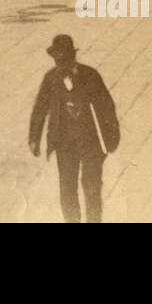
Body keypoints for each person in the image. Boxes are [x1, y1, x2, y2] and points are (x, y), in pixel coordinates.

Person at [28, 35, 120, 223]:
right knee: (67, 188)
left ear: (72, 57)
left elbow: (106, 106)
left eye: (63, 60)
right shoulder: (51, 79)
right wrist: (34, 138)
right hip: (64, 143)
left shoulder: (90, 76)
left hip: (90, 143)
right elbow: (40, 108)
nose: (60, 64)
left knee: (92, 186)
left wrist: (111, 137)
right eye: (57, 60)